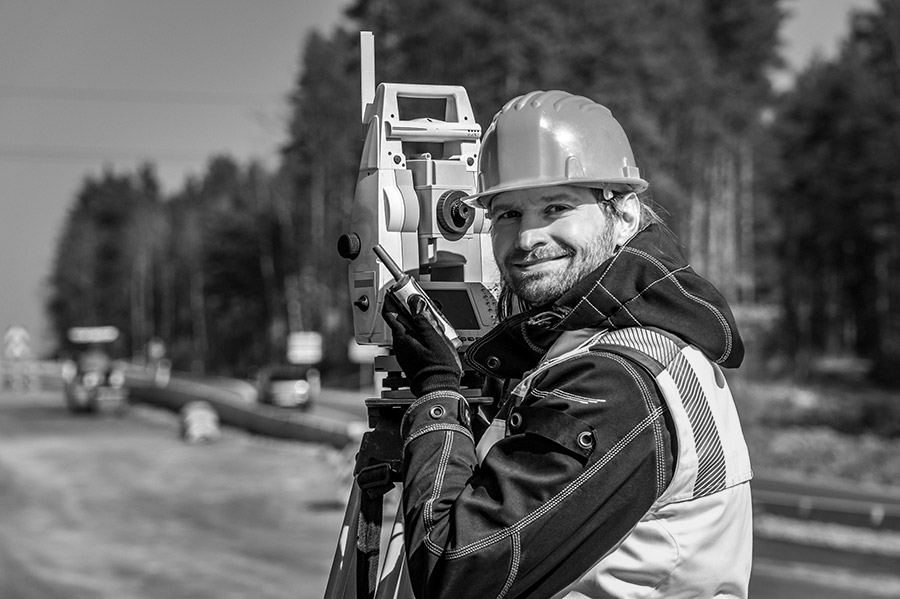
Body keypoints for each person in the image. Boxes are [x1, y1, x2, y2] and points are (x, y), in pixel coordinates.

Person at [382, 90, 753, 599]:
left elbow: (454, 572)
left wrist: (437, 393)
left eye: (555, 207)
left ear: (623, 212)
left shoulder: (616, 382)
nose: (528, 238)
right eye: (507, 214)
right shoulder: (608, 343)